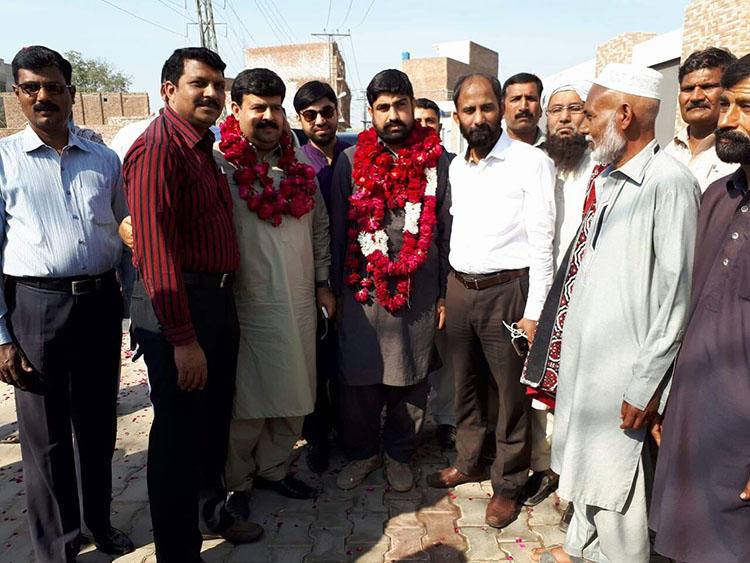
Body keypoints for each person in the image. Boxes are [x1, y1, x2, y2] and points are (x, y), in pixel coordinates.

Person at [531, 63, 699, 563]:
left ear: (624, 115)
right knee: (584, 477)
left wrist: (645, 385)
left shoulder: (668, 184)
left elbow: (676, 298)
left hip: (623, 380)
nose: (581, 125)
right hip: (587, 368)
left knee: (615, 490)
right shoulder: (609, 180)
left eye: (591, 113)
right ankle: (580, 552)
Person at [124, 47, 262, 562]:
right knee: (177, 440)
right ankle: (178, 553)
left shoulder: (200, 146)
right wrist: (182, 339)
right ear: (168, 90)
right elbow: (155, 250)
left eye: (218, 85)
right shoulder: (158, 148)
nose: (212, 93)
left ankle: (211, 515)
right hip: (180, 308)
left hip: (216, 300)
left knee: (209, 427)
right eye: (199, 83)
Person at [0, 45, 133, 562]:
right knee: (47, 440)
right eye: (31, 87)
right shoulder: (5, 161)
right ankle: (57, 547)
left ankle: (99, 523)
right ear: (17, 95)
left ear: (71, 93)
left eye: (53, 87)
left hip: (99, 306)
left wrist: (134, 308)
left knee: (99, 425)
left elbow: (127, 237)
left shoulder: (103, 159)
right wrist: (3, 337)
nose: (43, 97)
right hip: (36, 308)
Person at [426, 72, 556, 529]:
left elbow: (544, 242)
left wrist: (534, 312)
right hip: (462, 290)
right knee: (464, 385)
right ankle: (469, 460)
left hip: (508, 292)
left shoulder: (530, 162)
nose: (477, 117)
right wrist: (446, 293)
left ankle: (508, 484)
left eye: (485, 107)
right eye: (468, 109)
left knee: (509, 395)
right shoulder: (457, 167)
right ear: (456, 115)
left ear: (499, 108)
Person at [330, 69, 452, 492]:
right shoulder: (350, 161)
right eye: (384, 107)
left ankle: (400, 454)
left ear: (413, 106)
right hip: (361, 289)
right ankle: (363, 454)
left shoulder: (438, 160)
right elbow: (336, 228)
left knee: (412, 374)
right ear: (371, 112)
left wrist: (443, 295)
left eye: (401, 105)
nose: (394, 115)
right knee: (360, 377)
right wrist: (333, 290)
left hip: (419, 288)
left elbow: (448, 230)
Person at [649, 53, 750, 563]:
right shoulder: (718, 195)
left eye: (745, 105)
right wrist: (666, 394)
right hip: (691, 415)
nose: (728, 117)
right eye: (727, 103)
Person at [216, 68, 332, 504]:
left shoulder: (299, 162)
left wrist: (323, 282)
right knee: (247, 404)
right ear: (236, 109)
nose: (269, 116)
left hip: (300, 298)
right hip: (246, 302)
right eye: (258, 107)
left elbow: (319, 227)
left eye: (276, 108)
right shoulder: (220, 163)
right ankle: (237, 481)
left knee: (296, 395)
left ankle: (274, 468)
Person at [522, 81, 599, 509]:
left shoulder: (600, 167)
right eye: (557, 111)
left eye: (574, 109)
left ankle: (569, 474)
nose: (565, 117)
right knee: (533, 392)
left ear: (587, 117)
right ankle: (541, 468)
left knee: (572, 391)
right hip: (535, 291)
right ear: (545, 120)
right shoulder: (533, 163)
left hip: (580, 294)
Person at [293, 80, 351, 473]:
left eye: (326, 112)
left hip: (358, 273)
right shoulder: (296, 164)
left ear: (337, 112)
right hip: (313, 277)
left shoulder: (355, 155)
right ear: (300, 120)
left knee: (350, 358)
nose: (320, 120)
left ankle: (352, 431)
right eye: (310, 115)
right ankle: (318, 437)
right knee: (318, 360)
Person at [415, 96, 456, 450]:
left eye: (431, 121)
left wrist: (446, 290)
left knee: (446, 362)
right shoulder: (397, 167)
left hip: (446, 280)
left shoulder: (455, 167)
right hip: (409, 282)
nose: (425, 127)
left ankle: (446, 421)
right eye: (419, 121)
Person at [664, 47, 738, 191]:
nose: (696, 97)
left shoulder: (739, 152)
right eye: (688, 89)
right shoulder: (670, 150)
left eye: (708, 87)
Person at [503, 72, 545, 147]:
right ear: (502, 109)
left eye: (530, 99)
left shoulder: (556, 151)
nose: (523, 107)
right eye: (516, 99)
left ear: (541, 108)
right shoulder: (486, 150)